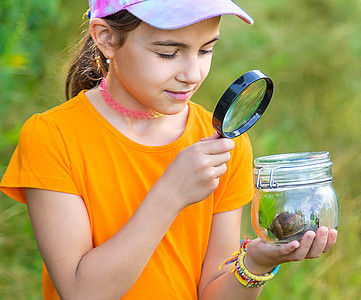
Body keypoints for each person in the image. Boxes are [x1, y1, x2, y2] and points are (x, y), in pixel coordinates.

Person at [0, 0, 338, 298]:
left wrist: (256, 263)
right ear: (106, 38)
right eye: (168, 53)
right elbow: (81, 292)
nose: (193, 73)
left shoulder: (222, 146)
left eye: (206, 50)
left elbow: (213, 293)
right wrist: (171, 194)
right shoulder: (53, 137)